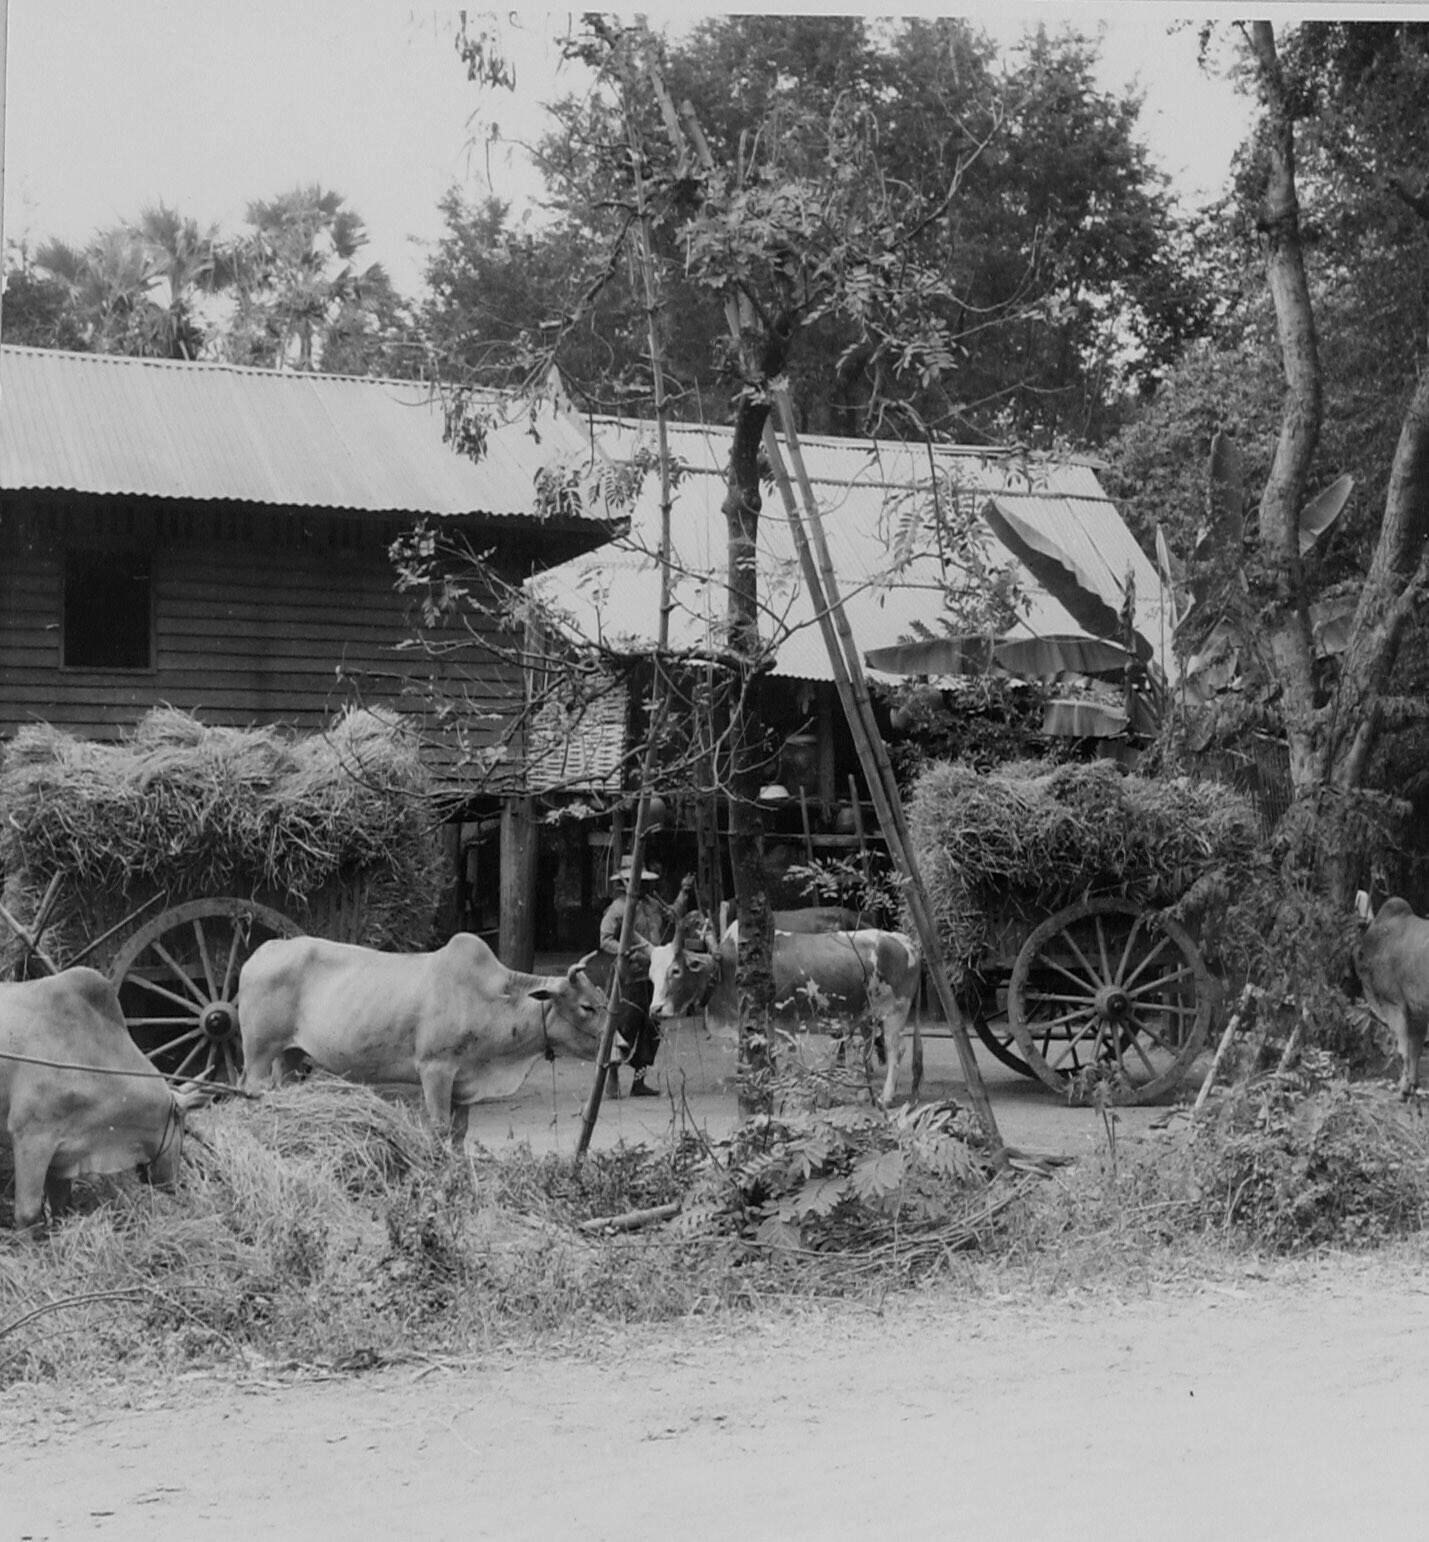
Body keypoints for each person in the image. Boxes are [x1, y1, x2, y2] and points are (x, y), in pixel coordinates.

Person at [599, 858, 695, 1098]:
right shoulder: (617, 909)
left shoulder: (653, 904)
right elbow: (605, 940)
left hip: (654, 977)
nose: (642, 885)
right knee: (624, 1027)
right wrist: (626, 951)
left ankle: (639, 1082)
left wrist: (684, 892)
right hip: (628, 978)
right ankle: (612, 1078)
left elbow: (672, 915)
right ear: (627, 881)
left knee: (651, 1029)